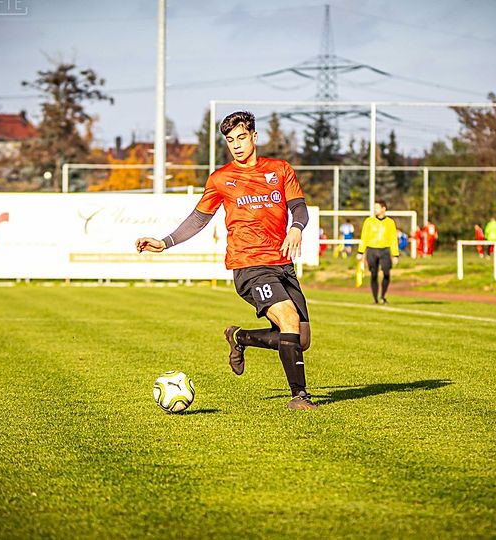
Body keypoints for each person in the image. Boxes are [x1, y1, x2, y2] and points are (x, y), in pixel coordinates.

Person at [135, 111, 318, 411]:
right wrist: (165, 242)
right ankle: (300, 396)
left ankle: (240, 337)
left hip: (282, 263)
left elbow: (299, 208)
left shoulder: (280, 169)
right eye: (231, 140)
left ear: (254, 137)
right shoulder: (221, 178)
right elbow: (198, 219)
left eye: (241, 137)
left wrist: (296, 228)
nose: (236, 145)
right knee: (288, 319)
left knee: (302, 339)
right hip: (249, 265)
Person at [357, 200, 399, 304]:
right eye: (374, 208)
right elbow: (364, 237)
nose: (375, 210)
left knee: (386, 273)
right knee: (374, 274)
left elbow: (393, 239)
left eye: (377, 207)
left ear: (384, 209)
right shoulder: (369, 222)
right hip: (372, 250)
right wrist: (360, 252)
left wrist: (395, 254)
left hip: (385, 250)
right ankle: (375, 298)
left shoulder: (390, 222)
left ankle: (383, 296)